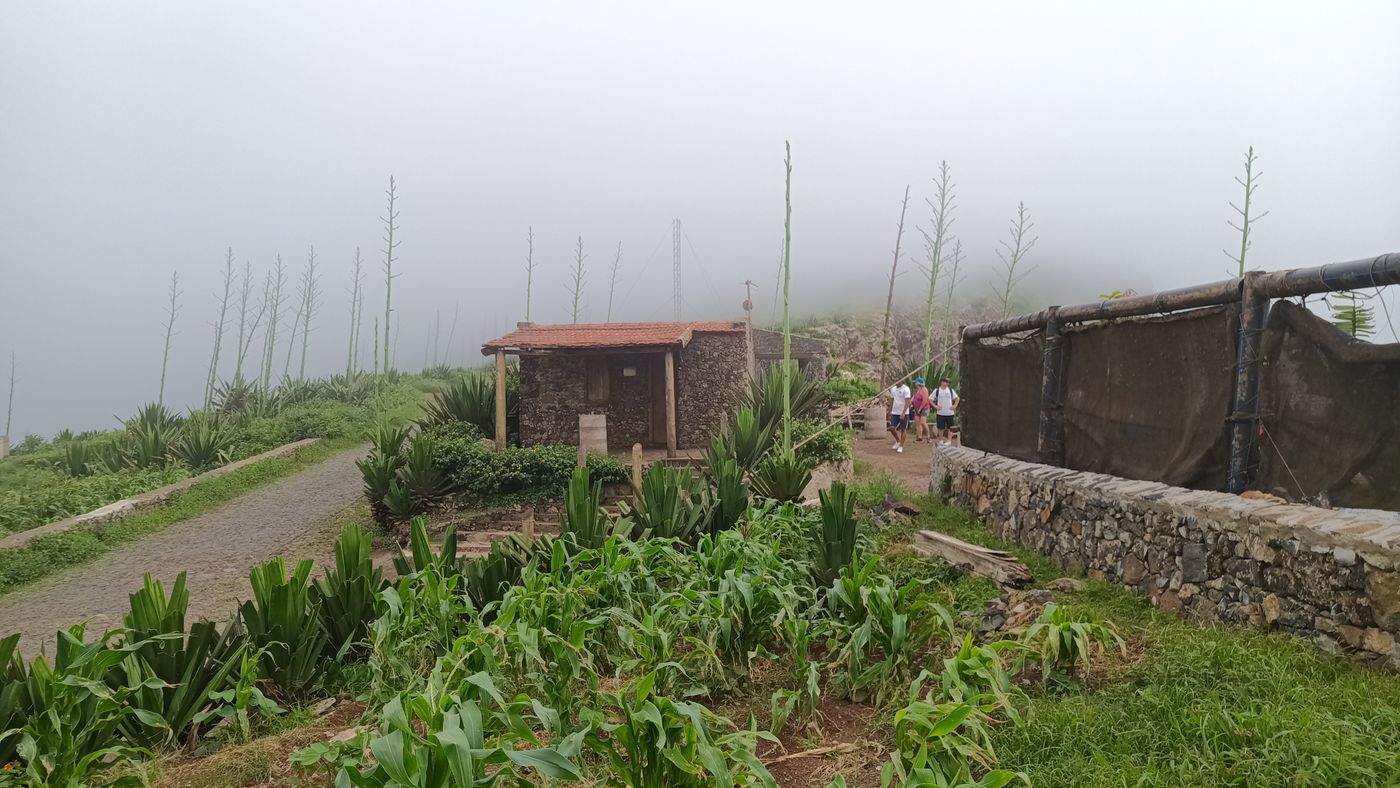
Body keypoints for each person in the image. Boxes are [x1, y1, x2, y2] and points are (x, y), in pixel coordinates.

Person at [886, 377, 912, 453]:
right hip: (895, 412)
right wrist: (889, 410)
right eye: (894, 381)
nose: (895, 382)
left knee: (903, 429)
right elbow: (892, 400)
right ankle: (898, 441)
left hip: (904, 412)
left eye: (897, 381)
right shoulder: (893, 389)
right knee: (891, 428)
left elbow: (907, 402)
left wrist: (903, 412)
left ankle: (901, 446)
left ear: (901, 381)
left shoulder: (906, 389)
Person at [933, 377, 960, 445]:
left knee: (950, 427)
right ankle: (941, 440)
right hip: (940, 412)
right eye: (944, 382)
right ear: (941, 382)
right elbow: (930, 399)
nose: (945, 384)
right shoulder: (937, 390)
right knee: (940, 427)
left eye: (947, 382)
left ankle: (949, 440)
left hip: (949, 412)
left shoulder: (950, 390)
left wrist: (955, 405)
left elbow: (957, 398)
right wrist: (935, 406)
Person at [910, 378, 932, 442]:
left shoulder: (924, 390)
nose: (915, 384)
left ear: (918, 383)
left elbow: (924, 400)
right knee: (917, 422)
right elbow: (914, 397)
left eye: (916, 383)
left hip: (924, 408)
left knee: (923, 422)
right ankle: (919, 436)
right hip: (917, 408)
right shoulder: (917, 390)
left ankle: (928, 436)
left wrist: (920, 408)